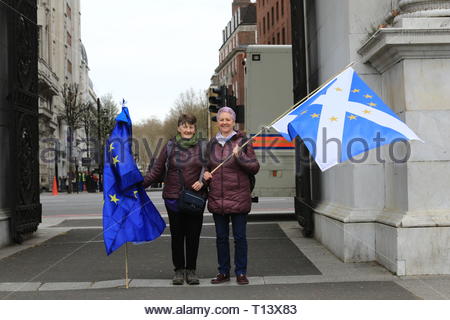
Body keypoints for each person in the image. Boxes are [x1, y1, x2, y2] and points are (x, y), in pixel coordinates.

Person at [143, 114, 207, 285]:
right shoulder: (169, 147)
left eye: (191, 127)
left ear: (195, 129)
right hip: (173, 199)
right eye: (185, 126)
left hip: (195, 199)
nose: (188, 130)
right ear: (179, 128)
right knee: (177, 236)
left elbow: (210, 170)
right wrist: (138, 186)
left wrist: (203, 182)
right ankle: (179, 270)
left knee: (193, 236)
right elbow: (156, 172)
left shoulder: (202, 147)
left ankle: (191, 270)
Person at [203, 107, 260, 285]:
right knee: (221, 238)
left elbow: (255, 167)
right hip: (217, 199)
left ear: (233, 122)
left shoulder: (243, 142)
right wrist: (205, 175)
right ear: (218, 122)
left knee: (240, 238)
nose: (225, 122)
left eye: (228, 119)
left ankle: (241, 272)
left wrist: (240, 156)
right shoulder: (211, 144)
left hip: (238, 198)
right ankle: (223, 272)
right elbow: (206, 167)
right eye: (222, 120)